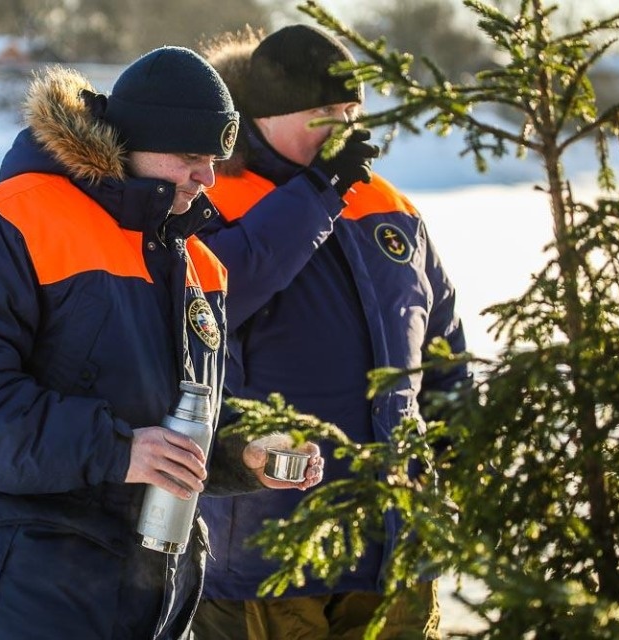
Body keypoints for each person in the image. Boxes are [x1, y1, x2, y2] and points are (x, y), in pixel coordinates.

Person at [0, 46, 326, 640]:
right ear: (135, 142)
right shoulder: (3, 224)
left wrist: (243, 453)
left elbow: (174, 418)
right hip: (27, 587)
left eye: (215, 159)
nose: (208, 178)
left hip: (153, 590)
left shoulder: (198, 262)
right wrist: (116, 449)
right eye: (192, 156)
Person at [191, 25, 470, 639]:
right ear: (263, 117)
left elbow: (442, 343)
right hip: (269, 547)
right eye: (323, 113)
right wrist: (321, 193)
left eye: (352, 110)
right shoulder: (211, 196)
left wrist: (458, 450)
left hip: (393, 539)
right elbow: (217, 295)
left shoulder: (388, 206)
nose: (346, 127)